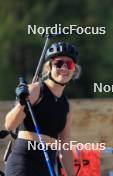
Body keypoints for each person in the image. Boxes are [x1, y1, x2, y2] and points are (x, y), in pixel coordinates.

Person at [4, 42, 81, 176]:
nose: (64, 68)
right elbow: (9, 125)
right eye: (58, 63)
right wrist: (22, 103)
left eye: (69, 65)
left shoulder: (67, 105)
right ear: (49, 67)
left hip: (47, 166)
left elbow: (65, 147)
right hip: (24, 163)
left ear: (74, 70)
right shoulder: (35, 90)